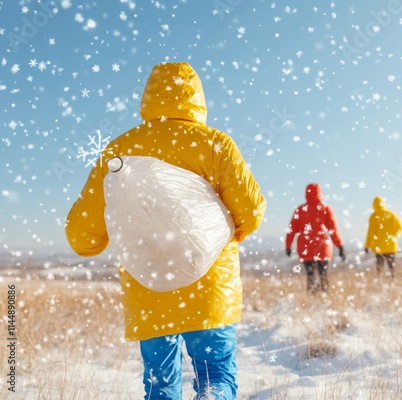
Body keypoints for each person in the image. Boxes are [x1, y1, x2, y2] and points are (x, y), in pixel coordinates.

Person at [65, 62, 266, 400]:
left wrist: (97, 240)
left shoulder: (119, 150)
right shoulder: (215, 144)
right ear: (197, 97)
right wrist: (227, 234)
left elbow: (81, 234)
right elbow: (251, 211)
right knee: (215, 376)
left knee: (160, 384)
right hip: (210, 286)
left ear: (149, 97)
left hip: (149, 289)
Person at [285, 183, 345, 293]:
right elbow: (333, 229)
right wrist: (339, 245)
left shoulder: (300, 210)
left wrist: (288, 246)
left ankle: (313, 299)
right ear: (320, 192)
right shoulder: (326, 209)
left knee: (311, 275)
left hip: (306, 248)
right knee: (323, 274)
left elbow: (291, 230)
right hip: (322, 247)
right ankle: (324, 297)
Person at [364, 196, 402, 277]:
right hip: (391, 245)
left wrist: (367, 245)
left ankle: (380, 282)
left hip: (379, 246)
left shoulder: (374, 216)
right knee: (391, 265)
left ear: (374, 205)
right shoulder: (392, 214)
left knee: (380, 266)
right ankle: (393, 280)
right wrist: (394, 236)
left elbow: (370, 232)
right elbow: (400, 228)